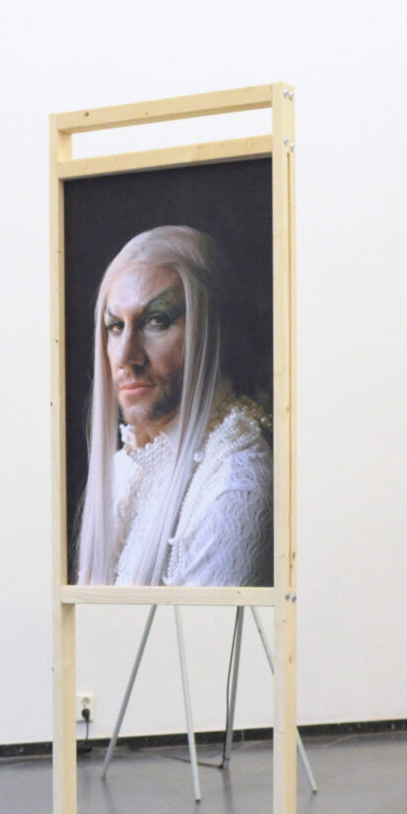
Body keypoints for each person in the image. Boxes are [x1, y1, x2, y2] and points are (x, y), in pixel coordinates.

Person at [74, 225, 272, 586]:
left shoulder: (233, 479)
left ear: (208, 331)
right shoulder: (128, 466)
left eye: (156, 321)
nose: (126, 356)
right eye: (115, 326)